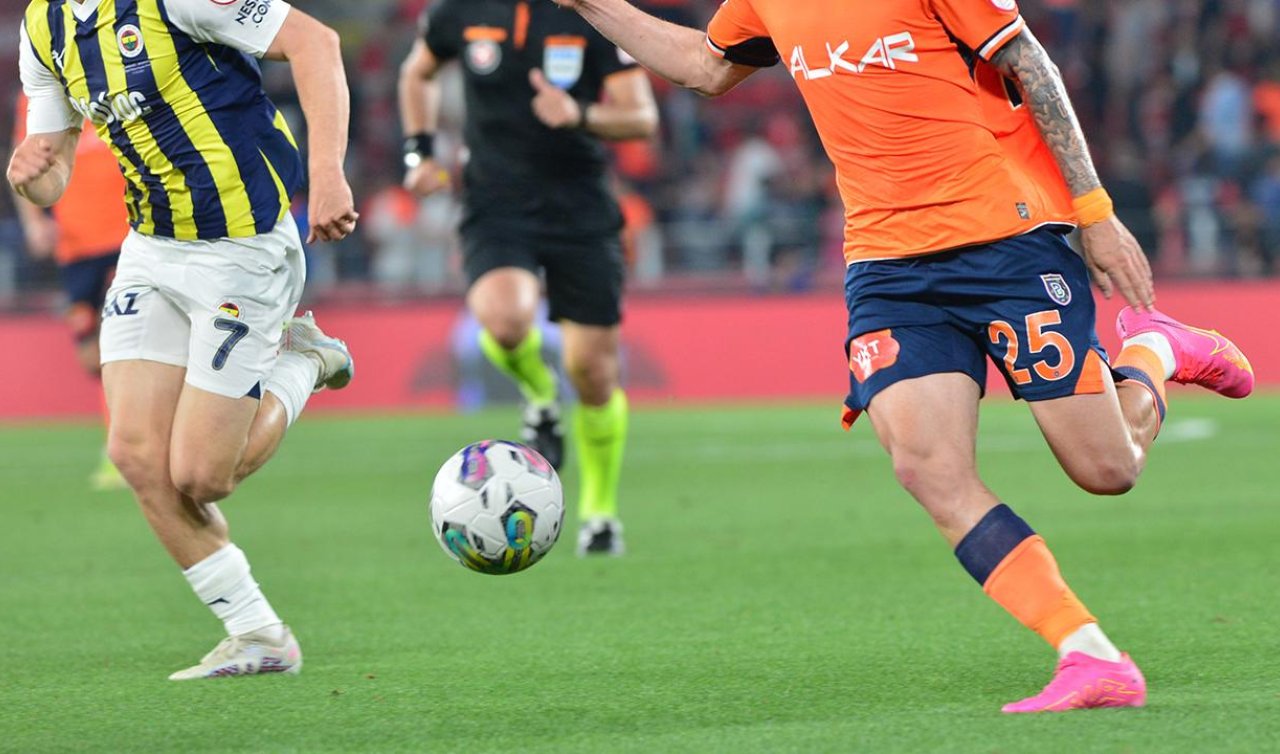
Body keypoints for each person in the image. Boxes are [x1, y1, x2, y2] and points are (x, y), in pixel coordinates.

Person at [551, 0, 1255, 712]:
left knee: (1107, 469)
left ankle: (1156, 349)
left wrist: (1094, 211)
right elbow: (706, 67)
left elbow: (1031, 63)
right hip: (887, 265)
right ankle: (1089, 652)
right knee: (926, 468)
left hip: (1005, 241)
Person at [10, 0, 360, 679]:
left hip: (243, 248)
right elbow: (53, 174)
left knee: (202, 475)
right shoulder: (42, 28)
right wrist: (29, 178)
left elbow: (316, 44)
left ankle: (305, 359)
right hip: (150, 247)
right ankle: (257, 633)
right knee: (135, 454)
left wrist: (328, 173)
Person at [398, 0, 659, 556]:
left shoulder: (593, 11)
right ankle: (540, 396)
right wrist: (418, 153)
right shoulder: (458, 11)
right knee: (506, 320)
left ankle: (599, 513)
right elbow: (416, 72)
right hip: (496, 204)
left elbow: (641, 117)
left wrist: (580, 114)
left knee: (592, 374)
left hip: (581, 208)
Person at [11, 92, 130, 490]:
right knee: (92, 358)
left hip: (129, 234)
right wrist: (34, 222)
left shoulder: (117, 74)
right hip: (76, 245)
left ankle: (124, 449)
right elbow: (24, 156)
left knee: (122, 343)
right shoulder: (38, 92)